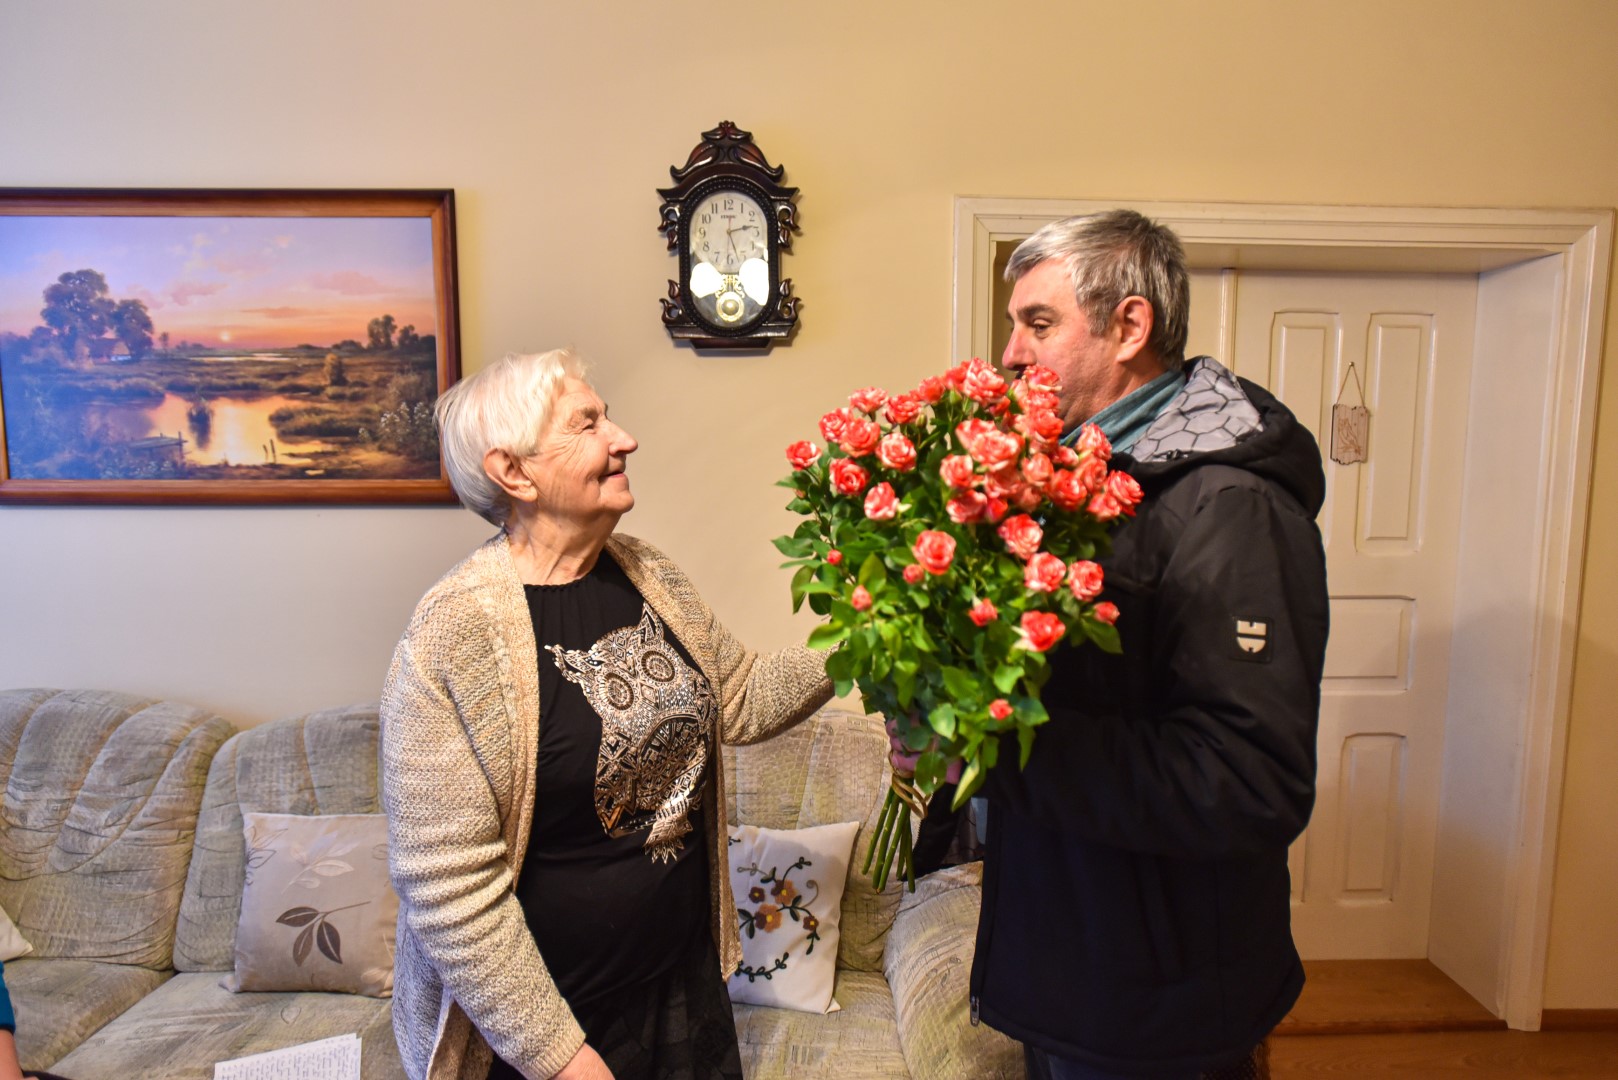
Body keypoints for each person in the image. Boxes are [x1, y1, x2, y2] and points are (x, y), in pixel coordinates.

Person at [381, 349, 832, 1080]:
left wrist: (865, 644)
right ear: (514, 473)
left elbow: (741, 695)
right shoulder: (451, 634)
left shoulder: (646, 573)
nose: (625, 439)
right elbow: (447, 886)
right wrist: (560, 1059)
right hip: (542, 1034)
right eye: (587, 424)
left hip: (677, 984)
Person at [974, 210, 1330, 1080]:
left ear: (1130, 326)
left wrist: (996, 750)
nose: (1011, 354)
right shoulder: (1079, 482)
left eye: (1038, 323)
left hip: (1158, 1006)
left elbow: (1247, 780)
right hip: (1075, 969)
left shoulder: (1232, 507)